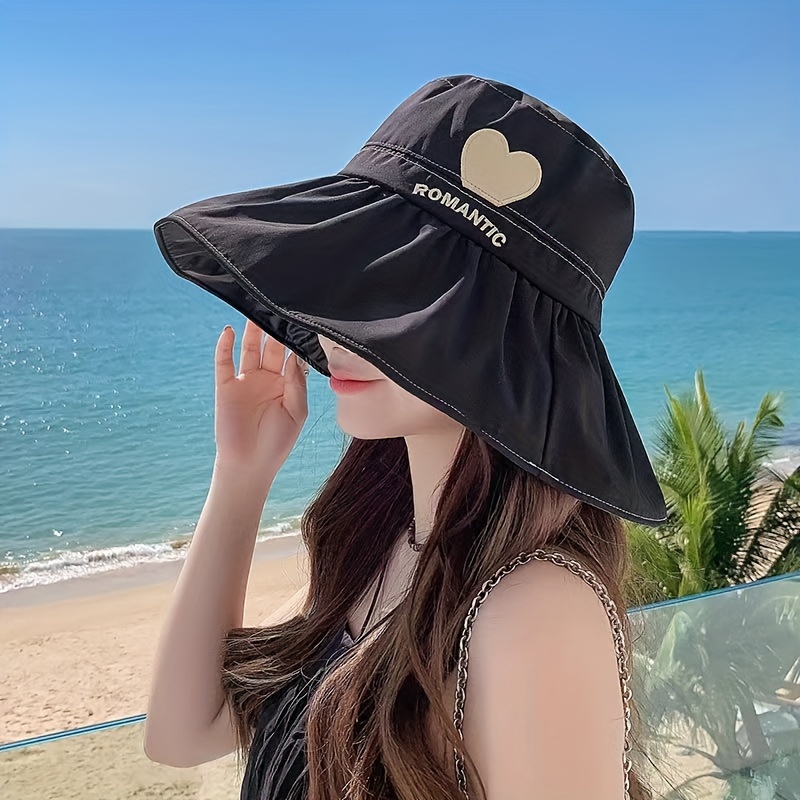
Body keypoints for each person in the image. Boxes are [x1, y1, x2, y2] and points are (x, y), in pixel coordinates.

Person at [144, 74, 668, 800]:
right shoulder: (379, 547)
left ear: (503, 342)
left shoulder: (532, 611)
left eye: (400, 295)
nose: (341, 328)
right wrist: (240, 476)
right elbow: (182, 733)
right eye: (353, 283)